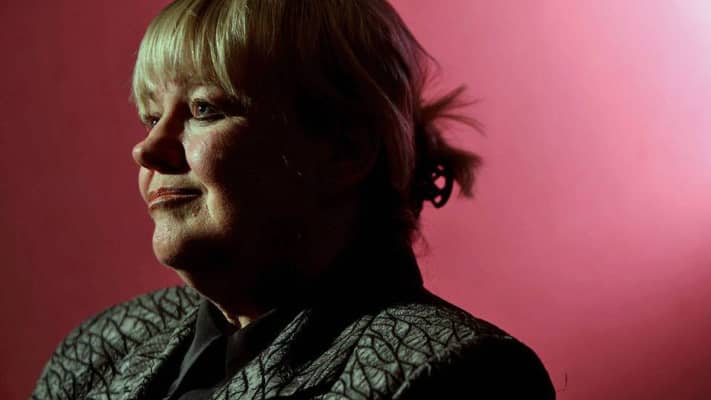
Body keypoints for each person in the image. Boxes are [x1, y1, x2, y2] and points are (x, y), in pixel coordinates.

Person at [32, 0, 555, 398]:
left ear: (345, 150)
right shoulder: (98, 345)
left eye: (204, 109)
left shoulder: (461, 374)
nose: (148, 148)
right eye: (151, 116)